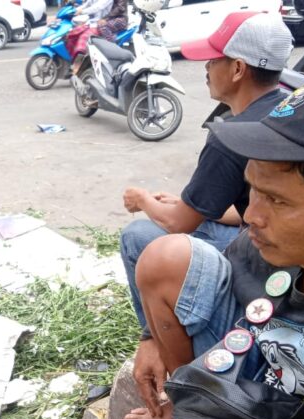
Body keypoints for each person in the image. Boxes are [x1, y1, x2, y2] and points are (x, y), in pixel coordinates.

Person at [118, 73, 304, 419]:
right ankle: (193, 415)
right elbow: (241, 318)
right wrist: (151, 338)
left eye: (276, 199)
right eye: (253, 188)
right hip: (271, 384)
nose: (252, 215)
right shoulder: (272, 245)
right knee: (162, 256)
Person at [120, 12, 293, 334]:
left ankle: (158, 339)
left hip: (263, 264)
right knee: (202, 220)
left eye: (214, 60)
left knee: (138, 236)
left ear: (238, 68)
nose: (206, 68)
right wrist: (189, 204)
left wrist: (143, 199)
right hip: (287, 251)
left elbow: (178, 224)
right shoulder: (290, 106)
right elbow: (251, 207)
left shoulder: (232, 137)